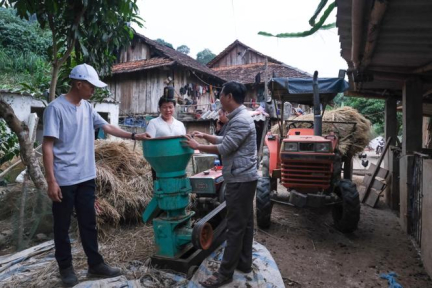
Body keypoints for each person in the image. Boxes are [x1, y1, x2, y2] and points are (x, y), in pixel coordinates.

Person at [42, 63, 149, 287]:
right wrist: (51, 181)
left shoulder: (88, 107)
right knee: (61, 226)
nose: (94, 90)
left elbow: (108, 128)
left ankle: (95, 264)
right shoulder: (55, 108)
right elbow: (48, 146)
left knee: (89, 222)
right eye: (91, 86)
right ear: (79, 84)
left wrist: (134, 136)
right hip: (64, 178)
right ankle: (66, 268)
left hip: (86, 177)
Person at [183, 81, 258, 288]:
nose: (219, 99)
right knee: (246, 223)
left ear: (230, 97)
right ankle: (244, 263)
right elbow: (225, 138)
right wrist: (205, 135)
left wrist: (198, 146)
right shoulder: (238, 118)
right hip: (244, 177)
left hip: (240, 179)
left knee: (235, 226)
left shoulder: (241, 120)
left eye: (221, 95)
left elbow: (226, 147)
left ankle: (225, 273)